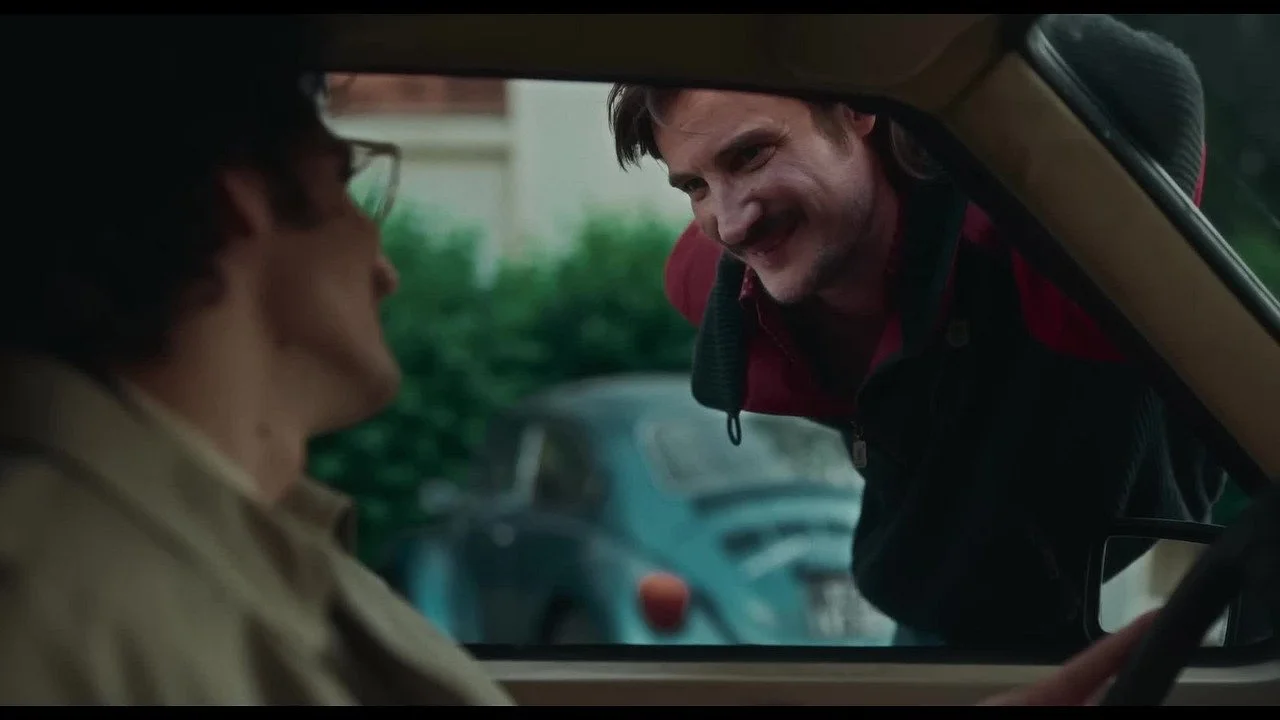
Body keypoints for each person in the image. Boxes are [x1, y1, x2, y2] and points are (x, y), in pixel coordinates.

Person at [0, 12, 1186, 707]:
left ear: (865, 119)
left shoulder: (271, 559)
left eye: (751, 156)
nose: (388, 259)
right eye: (354, 181)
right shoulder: (73, 614)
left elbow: (1141, 91)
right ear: (241, 209)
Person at [607, 13, 1225, 648]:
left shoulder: (1020, 234)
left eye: (751, 154)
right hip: (931, 629)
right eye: (694, 186)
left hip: (1142, 607)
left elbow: (1152, 82)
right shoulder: (712, 286)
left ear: (858, 109)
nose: (731, 223)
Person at [0, 16, 511, 705]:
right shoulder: (53, 600)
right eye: (347, 182)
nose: (385, 270)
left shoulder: (257, 547)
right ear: (240, 195)